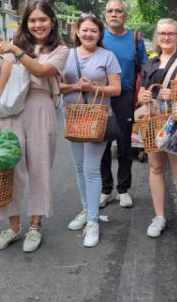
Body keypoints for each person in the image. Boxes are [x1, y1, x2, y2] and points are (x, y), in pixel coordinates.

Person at [0, 0, 69, 253]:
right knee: (9, 167)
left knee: (40, 167)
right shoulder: (17, 45)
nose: (37, 25)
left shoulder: (61, 50)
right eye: (32, 20)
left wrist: (16, 51)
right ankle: (12, 226)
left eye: (42, 19)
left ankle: (35, 225)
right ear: (26, 23)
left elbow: (43, 71)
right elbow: (3, 79)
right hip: (11, 109)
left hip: (41, 107)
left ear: (52, 21)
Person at [137, 18, 177, 245]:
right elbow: (142, 92)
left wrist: (176, 94)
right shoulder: (150, 63)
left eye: (171, 34)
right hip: (154, 121)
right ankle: (159, 217)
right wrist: (142, 96)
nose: (166, 37)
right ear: (156, 36)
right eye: (162, 33)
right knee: (155, 167)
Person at [60, 14, 121, 248]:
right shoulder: (67, 55)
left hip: (97, 119)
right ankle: (86, 209)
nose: (88, 34)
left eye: (93, 31)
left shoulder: (108, 56)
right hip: (72, 118)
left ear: (99, 34)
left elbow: (116, 89)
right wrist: (77, 86)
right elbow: (57, 86)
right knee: (78, 167)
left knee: (91, 168)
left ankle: (93, 221)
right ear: (77, 32)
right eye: (84, 30)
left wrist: (93, 87)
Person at [99, 0, 148, 208]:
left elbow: (144, 69)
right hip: (101, 96)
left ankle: (123, 188)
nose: (114, 14)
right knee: (102, 144)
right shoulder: (98, 38)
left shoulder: (135, 39)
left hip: (127, 95)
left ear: (125, 15)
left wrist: (142, 95)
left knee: (125, 144)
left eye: (118, 11)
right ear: (105, 15)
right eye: (110, 11)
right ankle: (105, 188)